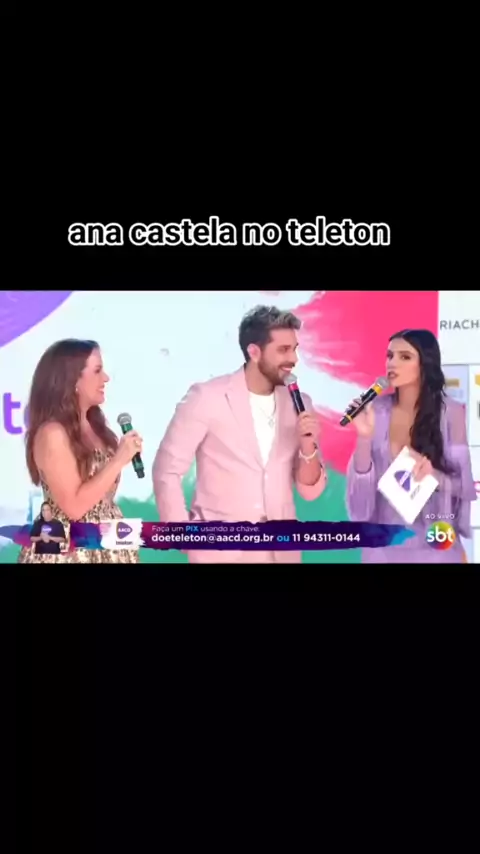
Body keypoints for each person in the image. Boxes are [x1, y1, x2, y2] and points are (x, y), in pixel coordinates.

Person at [153, 305, 327, 563]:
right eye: (283, 350)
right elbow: (166, 470)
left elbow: (310, 492)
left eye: (295, 349)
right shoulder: (207, 397)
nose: (293, 359)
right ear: (254, 352)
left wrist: (308, 447)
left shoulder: (301, 404)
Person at [346, 329, 476, 563]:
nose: (392, 363)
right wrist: (364, 438)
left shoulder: (451, 413)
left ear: (425, 364)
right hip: (383, 549)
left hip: (435, 547)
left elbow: (463, 488)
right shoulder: (375, 411)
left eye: (404, 357)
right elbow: (360, 504)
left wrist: (433, 475)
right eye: (389, 356)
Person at [18, 339, 143, 564]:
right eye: (97, 371)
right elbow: (74, 508)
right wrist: (118, 461)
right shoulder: (53, 433)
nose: (106, 378)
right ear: (73, 379)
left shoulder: (97, 427)